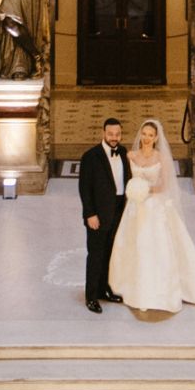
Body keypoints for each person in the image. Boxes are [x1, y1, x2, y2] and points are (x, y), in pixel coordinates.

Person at [106, 119, 195, 315]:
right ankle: (126, 284)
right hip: (134, 206)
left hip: (154, 205)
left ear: (156, 138)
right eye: (144, 134)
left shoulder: (161, 158)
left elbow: (164, 185)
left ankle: (160, 290)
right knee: (133, 243)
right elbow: (124, 179)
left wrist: (145, 189)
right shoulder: (130, 155)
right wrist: (133, 191)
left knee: (156, 245)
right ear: (140, 135)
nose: (147, 138)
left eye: (151, 135)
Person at [78, 116, 128, 314]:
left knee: (109, 253)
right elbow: (84, 188)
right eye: (110, 134)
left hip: (118, 209)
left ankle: (104, 289)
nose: (114, 137)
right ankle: (91, 296)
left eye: (117, 134)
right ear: (103, 133)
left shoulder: (123, 152)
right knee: (96, 254)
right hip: (98, 213)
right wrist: (90, 214)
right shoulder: (90, 156)